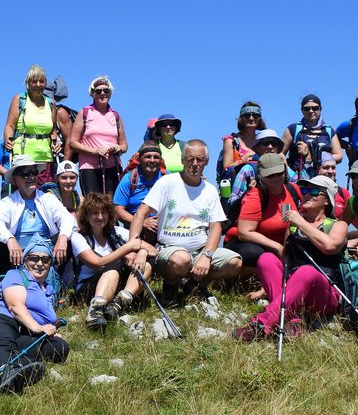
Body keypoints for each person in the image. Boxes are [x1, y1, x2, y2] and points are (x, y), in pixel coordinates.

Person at [232, 176, 347, 341]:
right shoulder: (293, 225)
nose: (306, 194)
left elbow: (330, 247)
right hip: (295, 289)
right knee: (266, 259)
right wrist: (264, 289)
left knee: (306, 272)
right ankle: (292, 320)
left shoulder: (338, 225)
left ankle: (261, 324)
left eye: (314, 191)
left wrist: (300, 222)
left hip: (325, 293)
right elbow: (286, 259)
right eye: (304, 191)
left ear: (327, 200)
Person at [129, 140, 242, 306]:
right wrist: (132, 246)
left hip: (200, 250)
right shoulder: (167, 182)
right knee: (181, 259)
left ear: (206, 162)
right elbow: (141, 212)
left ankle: (195, 284)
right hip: (170, 250)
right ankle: (170, 285)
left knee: (235, 262)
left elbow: (215, 226)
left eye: (200, 159)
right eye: (190, 159)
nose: (195, 164)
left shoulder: (210, 190)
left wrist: (206, 256)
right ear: (182, 160)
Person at [0, 241, 70, 394]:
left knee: (59, 347)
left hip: (22, 332)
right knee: (3, 339)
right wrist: (38, 327)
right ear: (25, 260)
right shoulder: (16, 275)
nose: (40, 263)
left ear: (50, 263)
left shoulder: (49, 290)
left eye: (45, 259)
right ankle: (4, 371)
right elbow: (14, 306)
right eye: (34, 258)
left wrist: (51, 331)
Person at [72, 193, 155, 329]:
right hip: (88, 289)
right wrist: (127, 249)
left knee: (146, 264)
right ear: (86, 216)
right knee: (112, 269)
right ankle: (95, 311)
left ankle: (120, 303)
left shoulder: (117, 231)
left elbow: (153, 250)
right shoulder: (78, 237)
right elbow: (98, 263)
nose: (100, 217)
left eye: (104, 212)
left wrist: (142, 252)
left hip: (117, 286)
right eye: (95, 213)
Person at [0, 155, 75, 276]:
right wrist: (10, 239)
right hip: (18, 251)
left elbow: (66, 218)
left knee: (71, 237)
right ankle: (7, 275)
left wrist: (63, 238)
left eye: (34, 172)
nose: (31, 177)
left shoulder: (48, 198)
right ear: (15, 178)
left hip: (46, 246)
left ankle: (58, 276)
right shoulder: (7, 202)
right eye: (25, 174)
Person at [224, 153, 302, 276]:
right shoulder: (255, 195)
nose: (275, 177)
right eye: (270, 174)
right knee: (258, 254)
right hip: (246, 243)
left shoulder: (293, 189)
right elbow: (244, 233)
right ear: (261, 175)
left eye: (279, 173)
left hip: (282, 243)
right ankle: (246, 276)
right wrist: (277, 247)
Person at [67, 76, 128, 195]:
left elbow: (124, 144)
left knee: (112, 203)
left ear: (110, 93)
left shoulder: (115, 116)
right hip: (89, 168)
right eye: (98, 91)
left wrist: (119, 148)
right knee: (92, 203)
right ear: (92, 94)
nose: (103, 93)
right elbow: (73, 143)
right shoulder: (84, 113)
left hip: (113, 167)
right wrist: (94, 151)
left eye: (106, 90)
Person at [224, 129, 297, 220]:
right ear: (256, 147)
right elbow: (233, 202)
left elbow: (297, 188)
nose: (270, 146)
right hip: (255, 220)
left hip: (283, 218)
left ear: (278, 148)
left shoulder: (285, 168)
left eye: (274, 143)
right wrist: (249, 194)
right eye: (265, 143)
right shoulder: (248, 170)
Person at [3, 65, 58, 182]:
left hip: (45, 156)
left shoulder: (51, 103)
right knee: (24, 189)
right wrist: (8, 140)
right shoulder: (20, 99)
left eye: (41, 81)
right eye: (34, 81)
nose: (38, 85)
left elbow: (53, 128)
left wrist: (55, 142)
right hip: (23, 156)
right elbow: (10, 125)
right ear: (28, 83)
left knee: (45, 190)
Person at [280, 94, 343, 180]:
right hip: (298, 179)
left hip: (324, 178)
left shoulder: (328, 130)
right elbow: (280, 153)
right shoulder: (293, 129)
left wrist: (316, 157)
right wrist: (290, 174)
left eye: (315, 108)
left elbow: (339, 156)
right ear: (302, 110)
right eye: (307, 109)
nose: (311, 111)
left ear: (321, 109)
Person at [113, 142, 163, 240]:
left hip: (162, 232)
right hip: (134, 233)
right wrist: (142, 222)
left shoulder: (167, 178)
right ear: (139, 159)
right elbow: (118, 210)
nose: (152, 160)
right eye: (148, 156)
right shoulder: (130, 179)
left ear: (160, 160)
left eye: (156, 157)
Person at [219, 102, 265, 179]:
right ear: (241, 119)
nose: (251, 118)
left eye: (255, 115)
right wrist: (242, 160)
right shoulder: (231, 141)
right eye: (247, 115)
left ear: (259, 119)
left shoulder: (264, 141)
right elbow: (226, 169)